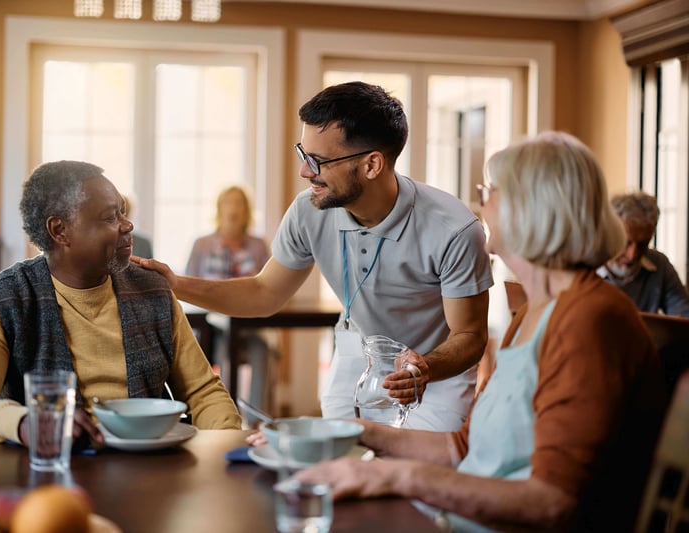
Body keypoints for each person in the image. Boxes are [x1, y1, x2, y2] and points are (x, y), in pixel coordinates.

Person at [293, 131, 666, 532]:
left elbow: (553, 501)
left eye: (489, 190)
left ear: (531, 209)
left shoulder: (591, 319)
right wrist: (358, 432)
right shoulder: (532, 314)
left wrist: (394, 476)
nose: (480, 201)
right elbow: (465, 449)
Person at [135, 81, 494, 431]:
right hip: (356, 352)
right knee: (343, 469)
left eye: (318, 161)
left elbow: (470, 335)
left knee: (415, 478)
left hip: (434, 371)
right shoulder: (308, 210)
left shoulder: (454, 230)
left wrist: (425, 367)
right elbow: (264, 294)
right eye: (303, 154)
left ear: (371, 165)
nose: (305, 171)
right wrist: (176, 285)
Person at [0, 160, 241, 447]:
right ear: (59, 230)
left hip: (149, 466)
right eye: (110, 217)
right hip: (51, 469)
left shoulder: (153, 290)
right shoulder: (4, 301)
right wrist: (25, 423)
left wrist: (226, 450)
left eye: (122, 212)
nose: (127, 225)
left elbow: (203, 393)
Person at [185, 185, 274, 411]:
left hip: (249, 325)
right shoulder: (202, 244)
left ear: (247, 211)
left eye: (239, 203)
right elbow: (188, 283)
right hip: (212, 330)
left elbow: (270, 284)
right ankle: (225, 413)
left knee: (263, 350)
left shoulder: (257, 244)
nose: (233, 209)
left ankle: (255, 418)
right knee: (226, 349)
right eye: (228, 202)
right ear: (219, 208)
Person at [597, 191, 689, 316]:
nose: (632, 255)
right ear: (609, 232)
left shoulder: (660, 264)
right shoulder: (585, 266)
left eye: (643, 245)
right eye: (626, 243)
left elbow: (683, 316)